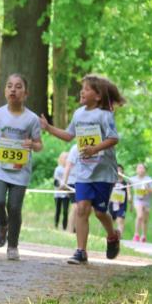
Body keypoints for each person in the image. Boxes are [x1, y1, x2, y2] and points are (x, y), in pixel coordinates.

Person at [41, 75, 125, 264]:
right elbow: (69, 135)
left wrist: (94, 149)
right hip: (83, 171)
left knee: (100, 212)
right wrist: (48, 128)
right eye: (82, 88)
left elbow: (113, 138)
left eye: (87, 89)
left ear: (98, 95)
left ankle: (112, 236)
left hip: (103, 172)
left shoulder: (105, 115)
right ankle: (81, 251)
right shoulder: (78, 114)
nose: (82, 92)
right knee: (81, 208)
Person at [0, 74, 43, 261]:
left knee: (15, 207)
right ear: (4, 91)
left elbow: (39, 144)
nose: (13, 90)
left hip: (20, 170)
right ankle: (3, 224)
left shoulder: (31, 119)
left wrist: (32, 145)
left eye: (18, 87)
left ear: (25, 93)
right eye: (9, 86)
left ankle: (13, 245)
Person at [130, 163, 152, 242]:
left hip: (147, 201)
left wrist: (147, 188)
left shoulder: (149, 179)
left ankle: (143, 235)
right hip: (137, 200)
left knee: (145, 219)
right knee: (139, 216)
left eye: (142, 168)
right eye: (139, 168)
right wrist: (129, 195)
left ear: (145, 170)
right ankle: (136, 234)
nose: (140, 170)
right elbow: (127, 185)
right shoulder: (132, 179)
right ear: (136, 170)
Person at [109, 164, 131, 239]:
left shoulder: (125, 183)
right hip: (111, 204)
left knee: (120, 220)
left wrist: (130, 201)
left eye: (119, 170)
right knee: (111, 221)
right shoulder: (111, 182)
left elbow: (129, 193)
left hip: (122, 205)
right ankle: (111, 236)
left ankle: (119, 237)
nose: (118, 171)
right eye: (116, 169)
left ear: (122, 172)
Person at [53, 151, 72, 230]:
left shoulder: (70, 169)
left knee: (65, 211)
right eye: (65, 158)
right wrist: (60, 186)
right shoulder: (58, 169)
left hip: (66, 195)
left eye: (68, 158)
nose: (66, 159)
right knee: (57, 210)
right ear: (61, 159)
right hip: (58, 194)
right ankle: (56, 226)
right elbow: (56, 181)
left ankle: (65, 227)